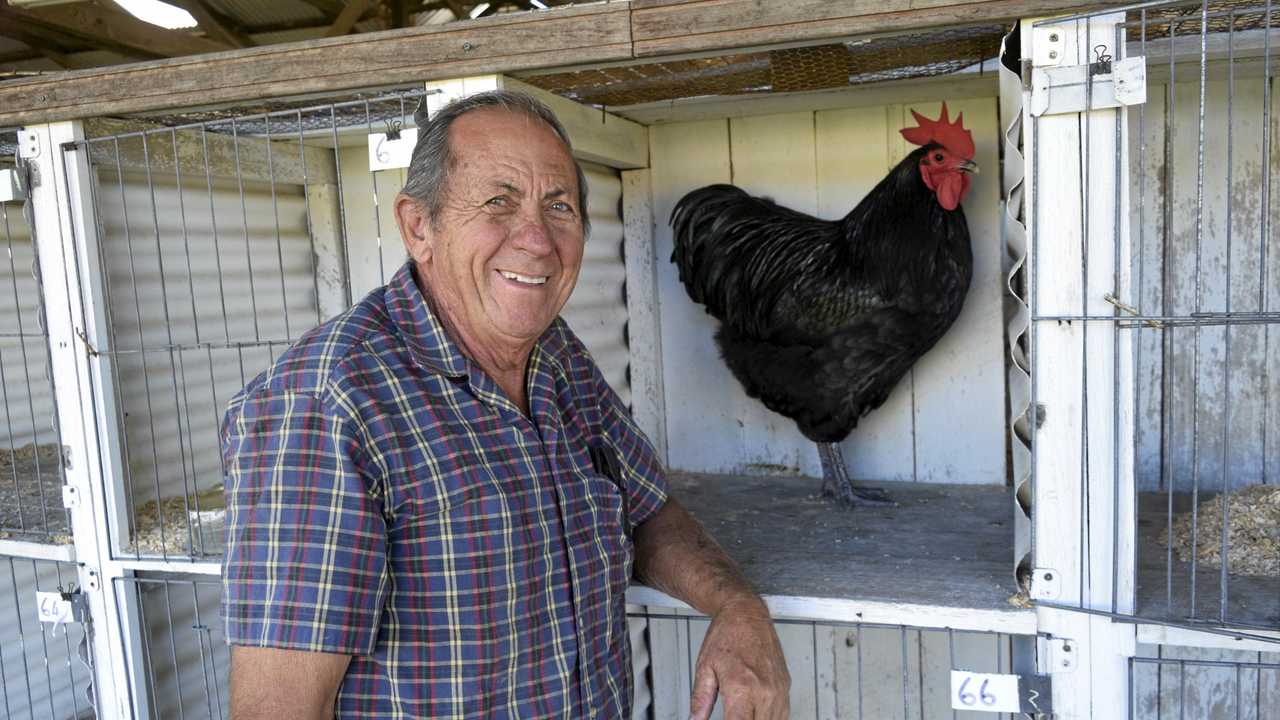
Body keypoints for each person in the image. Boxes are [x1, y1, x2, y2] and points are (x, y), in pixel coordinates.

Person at [221, 90, 789, 719]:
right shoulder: (325, 407)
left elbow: (646, 510)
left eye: (559, 206)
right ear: (419, 226)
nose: (537, 240)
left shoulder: (556, 356)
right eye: (498, 202)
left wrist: (737, 605)